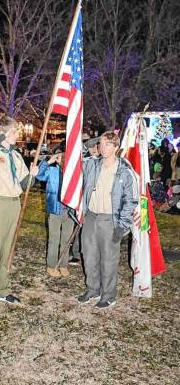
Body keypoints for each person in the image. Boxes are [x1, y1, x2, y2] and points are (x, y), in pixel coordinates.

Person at [0, 116, 38, 312]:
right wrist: (1, 135)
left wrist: (33, 175)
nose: (17, 135)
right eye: (13, 131)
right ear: (4, 132)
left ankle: (2, 289)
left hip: (14, 204)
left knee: (6, 250)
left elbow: (23, 183)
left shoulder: (16, 156)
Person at [78, 131, 138, 310]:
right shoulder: (92, 165)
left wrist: (122, 226)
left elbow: (130, 200)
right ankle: (93, 289)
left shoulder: (124, 171)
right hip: (91, 217)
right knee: (89, 256)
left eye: (108, 144)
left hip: (110, 219)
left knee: (108, 260)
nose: (103, 148)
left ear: (116, 148)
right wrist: (94, 140)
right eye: (101, 144)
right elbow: (75, 155)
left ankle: (109, 295)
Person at [36, 146, 74, 278]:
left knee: (66, 239)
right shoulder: (51, 171)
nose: (62, 159)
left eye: (64, 156)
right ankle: (51, 265)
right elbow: (39, 175)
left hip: (70, 210)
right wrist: (48, 161)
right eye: (59, 157)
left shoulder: (73, 173)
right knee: (54, 238)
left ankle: (63, 264)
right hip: (55, 209)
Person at [69, 137, 101, 266]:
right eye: (91, 147)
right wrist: (87, 146)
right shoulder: (86, 161)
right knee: (81, 228)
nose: (94, 149)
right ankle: (76, 253)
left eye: (96, 147)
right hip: (85, 200)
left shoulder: (104, 162)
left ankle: (91, 254)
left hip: (99, 201)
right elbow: (76, 158)